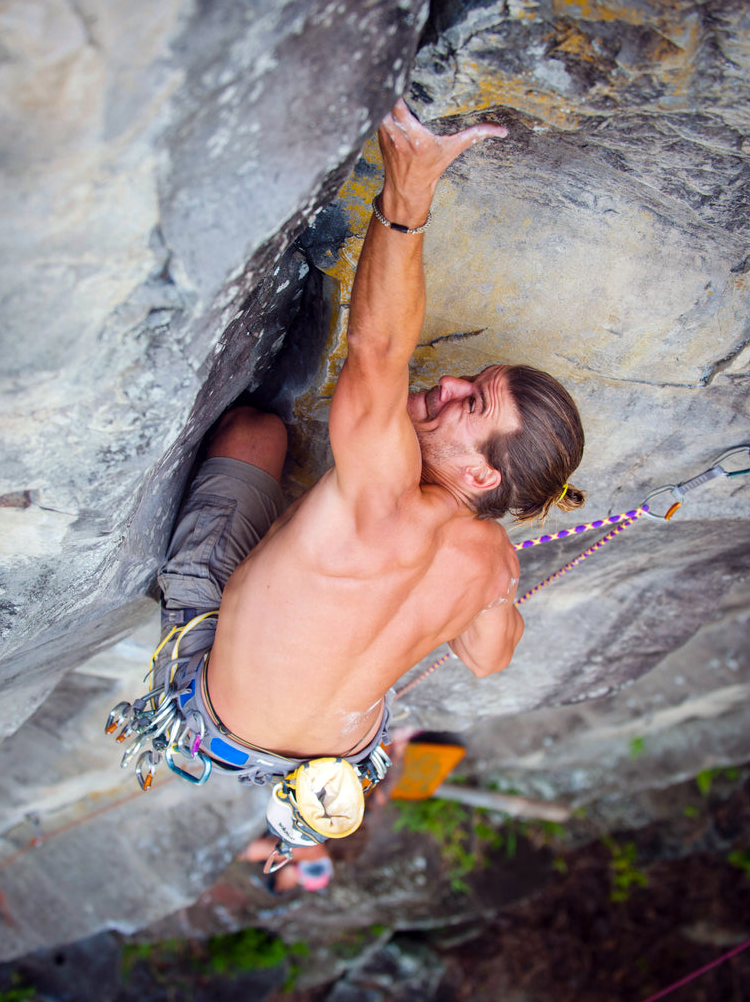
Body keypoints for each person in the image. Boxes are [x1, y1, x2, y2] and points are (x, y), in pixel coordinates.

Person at [113, 100, 584, 858]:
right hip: (336, 758)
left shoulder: (388, 487)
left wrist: (408, 189)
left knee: (253, 433)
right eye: (477, 379)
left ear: (479, 470)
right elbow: (492, 659)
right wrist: (496, 580)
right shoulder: (494, 561)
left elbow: (377, 347)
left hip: (209, 705)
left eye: (474, 402)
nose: (455, 382)